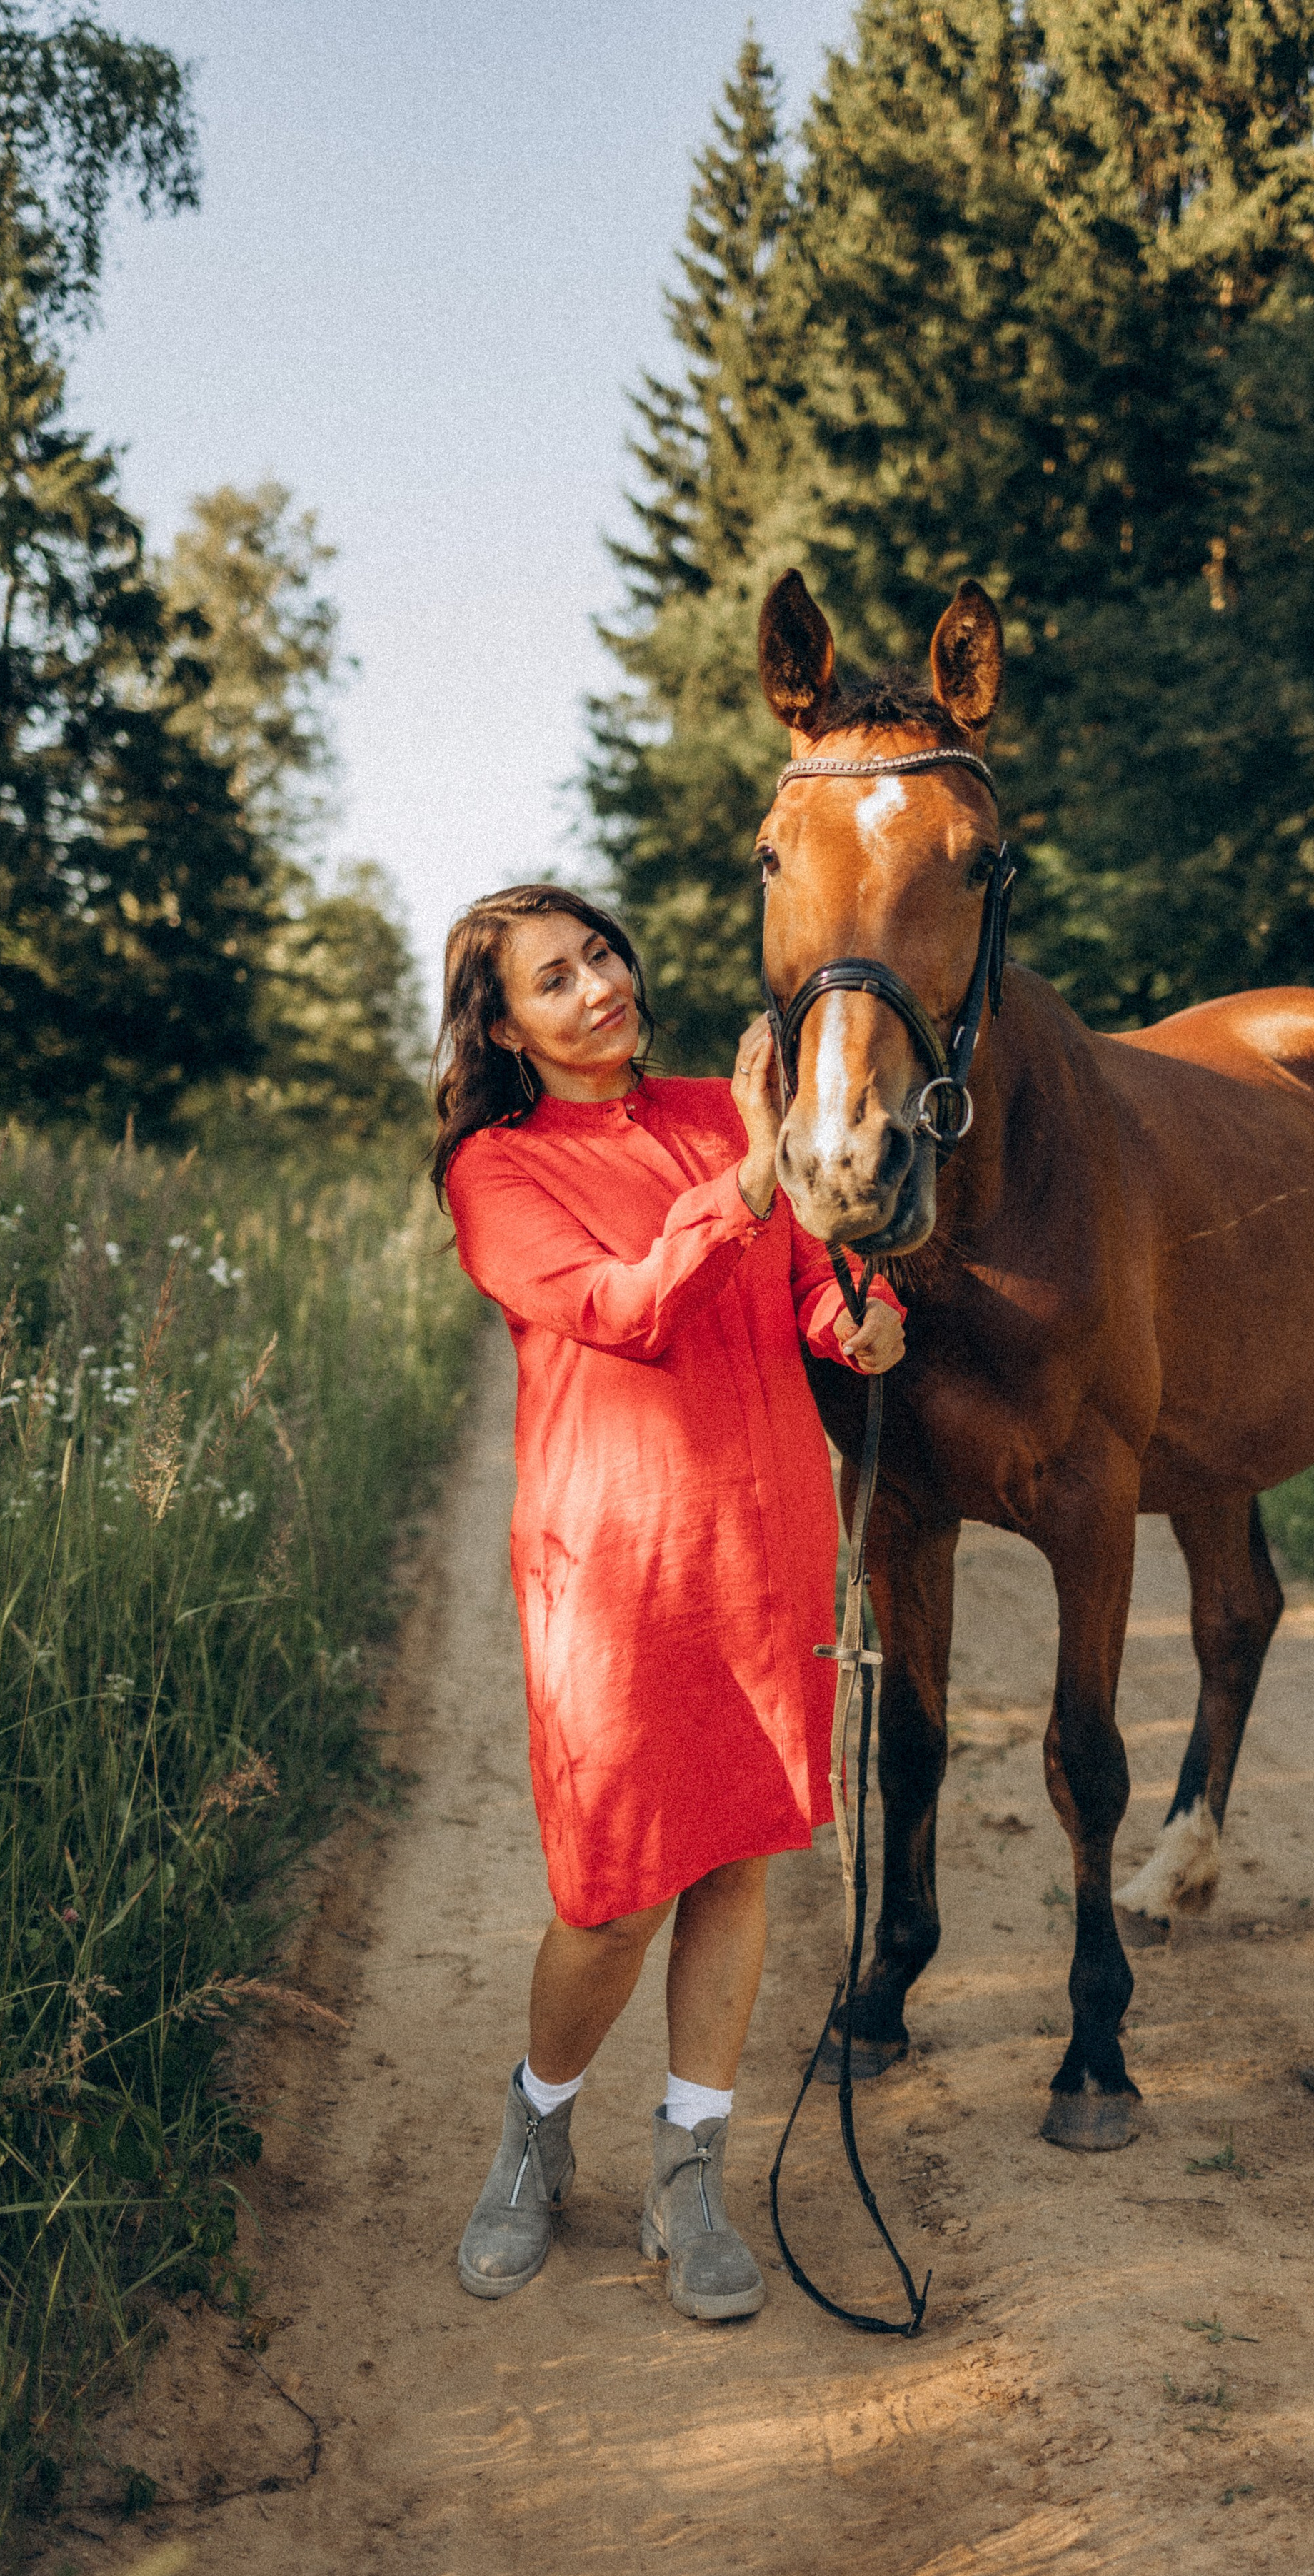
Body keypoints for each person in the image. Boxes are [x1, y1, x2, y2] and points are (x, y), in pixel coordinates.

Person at [431, 885, 903, 2323]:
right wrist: (752, 1174)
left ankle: (689, 2172)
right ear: (503, 1030)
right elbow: (626, 1310)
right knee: (612, 1895)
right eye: (553, 979)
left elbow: (808, 1281)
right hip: (615, 1566)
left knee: (738, 1864)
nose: (598, 987)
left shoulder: (717, 1110)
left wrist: (858, 1319)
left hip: (764, 1541)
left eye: (602, 954)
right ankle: (535, 2129)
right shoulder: (495, 1174)